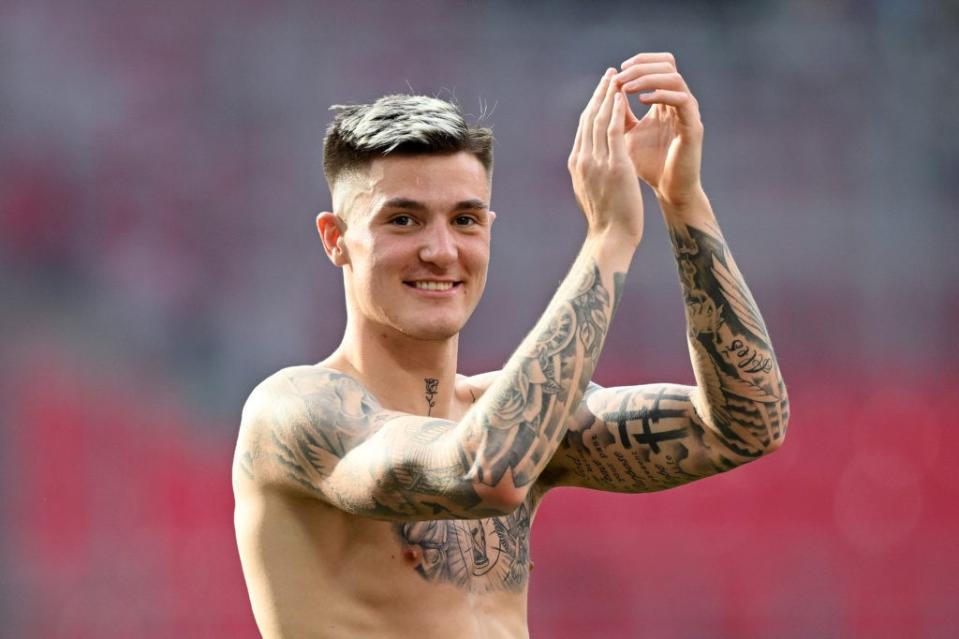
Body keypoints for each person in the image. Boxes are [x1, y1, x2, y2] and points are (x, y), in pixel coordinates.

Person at [233, 51, 788, 639]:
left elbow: (746, 426)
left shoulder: (511, 413)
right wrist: (609, 238)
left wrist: (682, 202)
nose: (442, 251)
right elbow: (483, 472)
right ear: (336, 239)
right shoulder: (296, 411)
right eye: (404, 220)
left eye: (466, 220)